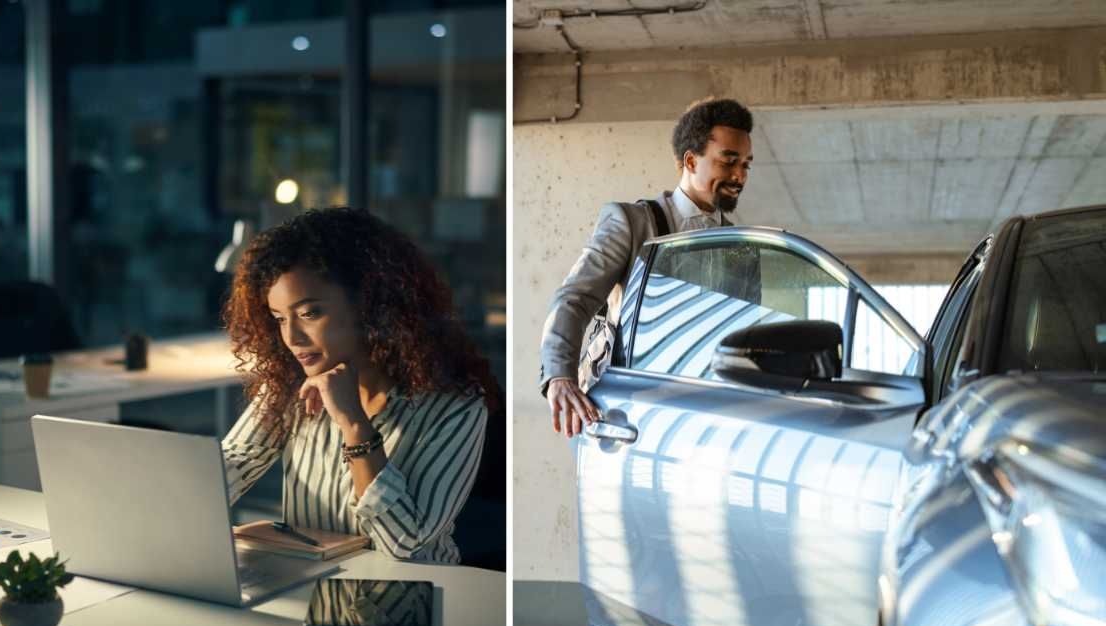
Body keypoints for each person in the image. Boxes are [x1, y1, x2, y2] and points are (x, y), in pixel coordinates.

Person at [220, 207, 499, 564]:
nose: (291, 337)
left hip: (417, 598)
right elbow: (230, 468)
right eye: (279, 319)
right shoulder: (288, 387)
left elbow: (404, 544)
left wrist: (354, 424)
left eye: (309, 314)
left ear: (369, 305)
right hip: (313, 592)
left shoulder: (455, 406)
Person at [540, 98, 755, 438]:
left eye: (745, 164)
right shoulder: (631, 222)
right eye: (728, 162)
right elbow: (575, 298)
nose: (739, 175)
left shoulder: (745, 247)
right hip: (634, 415)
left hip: (709, 419)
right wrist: (559, 376)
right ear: (690, 160)